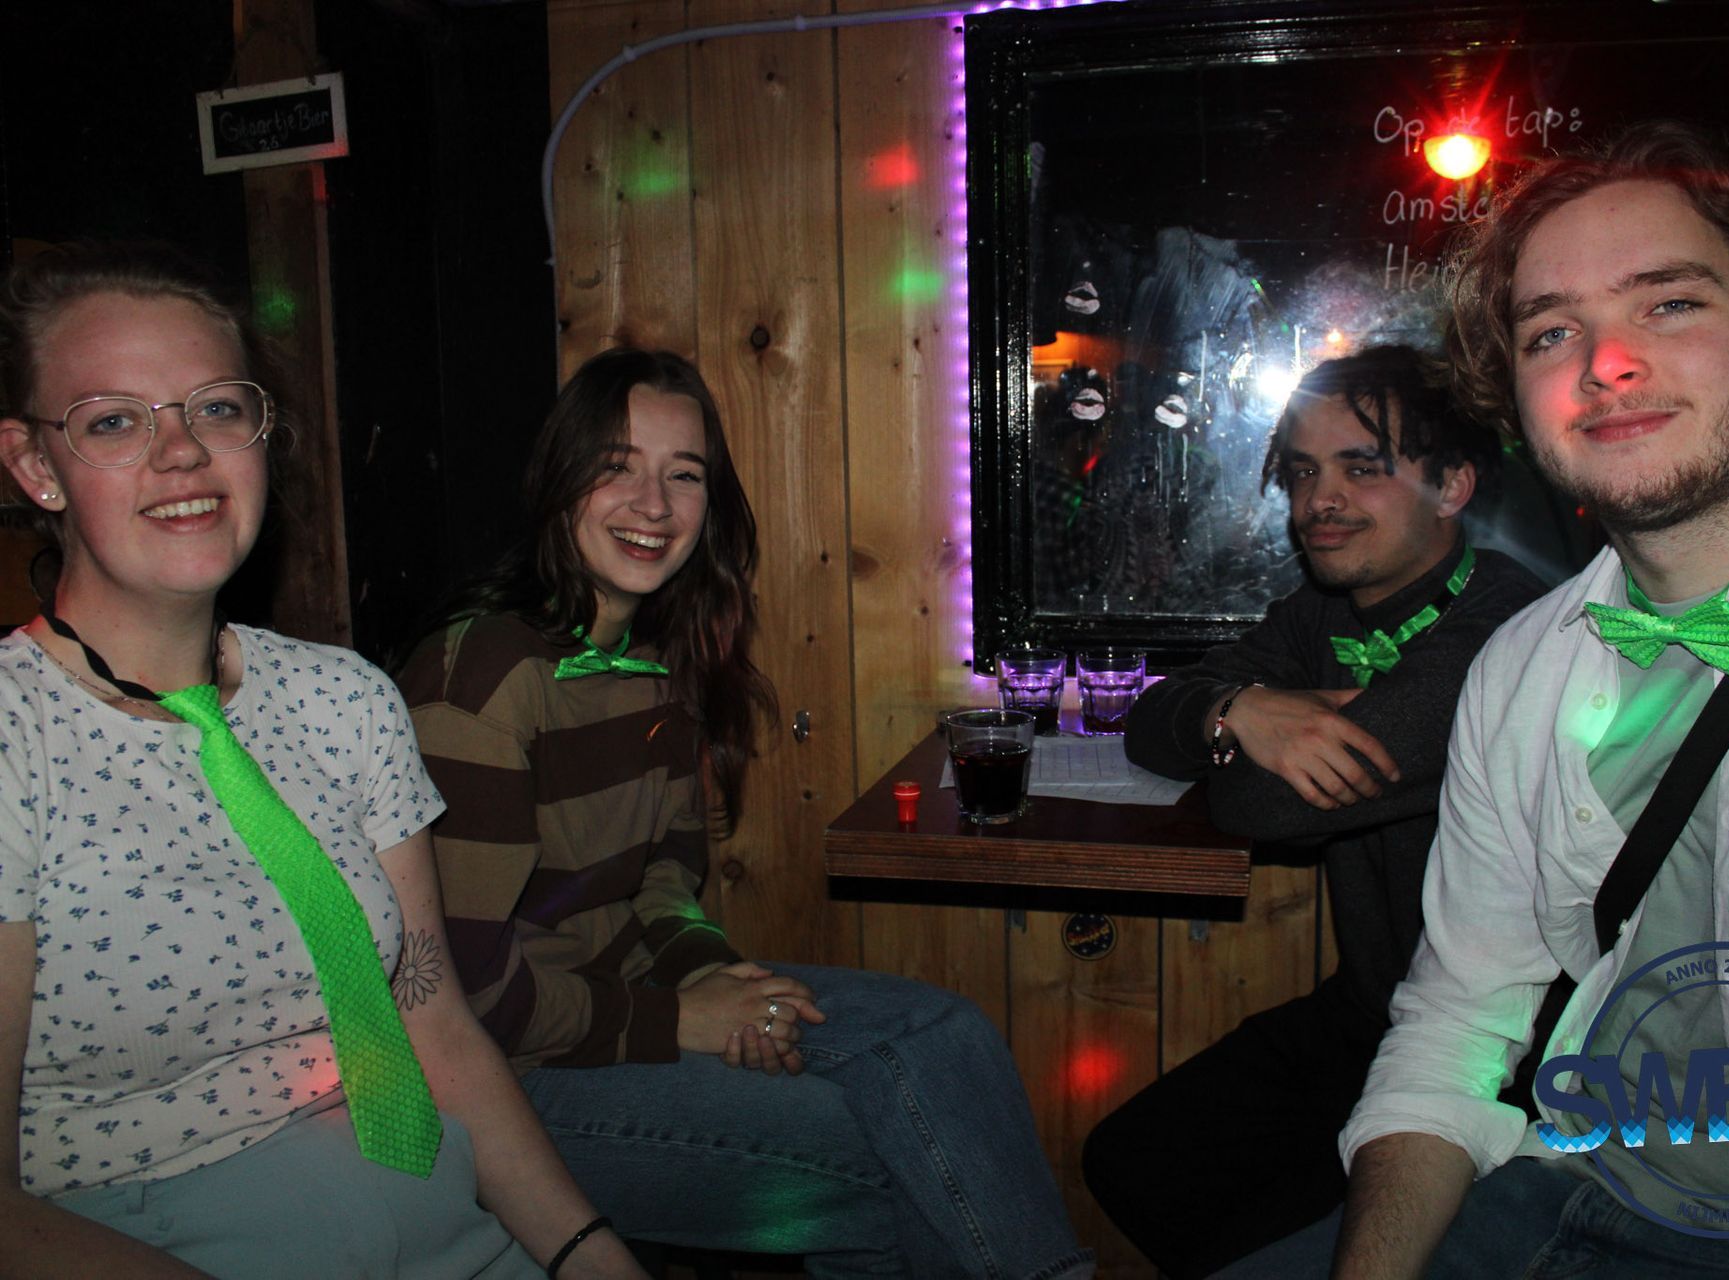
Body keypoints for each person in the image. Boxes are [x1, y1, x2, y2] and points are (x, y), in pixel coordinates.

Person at [1229, 121, 1729, 1280]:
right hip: (1560, 1180)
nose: (1606, 363)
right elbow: (1455, 1023)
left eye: (1670, 304)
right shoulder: (1523, 663)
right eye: (1553, 331)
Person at [0, 242, 646, 1278]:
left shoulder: (345, 698)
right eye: (113, 420)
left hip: (451, 1225)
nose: (181, 452)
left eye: (217, 408)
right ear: (37, 467)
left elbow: (434, 1024)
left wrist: (588, 1254)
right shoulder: (13, 736)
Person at [394, 347, 1094, 1280]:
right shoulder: (480, 682)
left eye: (683, 475)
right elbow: (465, 999)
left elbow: (665, 884)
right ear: (558, 482)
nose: (653, 504)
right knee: (896, 1157)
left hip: (630, 1004)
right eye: (617, 467)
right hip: (509, 1086)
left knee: (947, 1036)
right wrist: (679, 1020)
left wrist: (723, 983)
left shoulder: (656, 663)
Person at [1082, 345, 1544, 1277]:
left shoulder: (1507, 629)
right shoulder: (1317, 616)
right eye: (1302, 473)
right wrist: (1239, 709)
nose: (1317, 502)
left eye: (1360, 469)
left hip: (1513, 1050)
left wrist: (1250, 735)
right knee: (1134, 1161)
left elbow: (1263, 804)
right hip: (1372, 1009)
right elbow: (1152, 716)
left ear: (1453, 485)